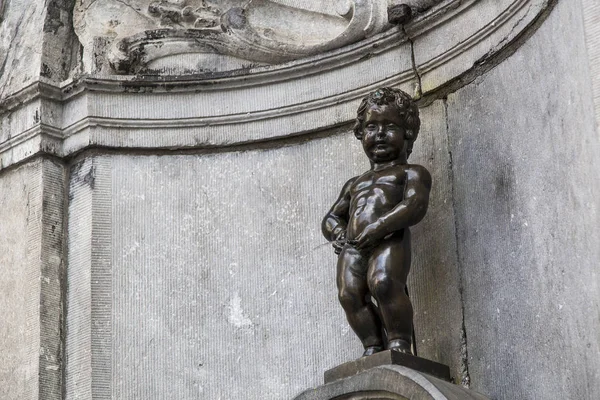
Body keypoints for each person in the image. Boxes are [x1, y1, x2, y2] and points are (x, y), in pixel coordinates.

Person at [322, 87, 431, 357]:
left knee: (383, 283)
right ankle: (372, 345)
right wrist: (337, 233)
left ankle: (399, 342)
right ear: (361, 134)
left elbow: (414, 206)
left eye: (390, 126)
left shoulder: (412, 173)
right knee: (349, 294)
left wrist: (379, 227)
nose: (379, 134)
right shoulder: (355, 183)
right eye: (371, 127)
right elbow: (332, 216)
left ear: (408, 132)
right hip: (354, 245)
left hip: (388, 238)